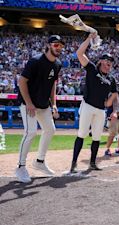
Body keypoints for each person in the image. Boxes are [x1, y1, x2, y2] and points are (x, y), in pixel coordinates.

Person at [15, 35, 64, 183]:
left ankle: (39, 162)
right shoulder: (35, 61)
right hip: (28, 103)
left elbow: (53, 84)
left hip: (43, 105)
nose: (59, 48)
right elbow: (22, 82)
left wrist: (53, 103)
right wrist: (29, 103)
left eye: (61, 45)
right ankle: (20, 167)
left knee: (50, 130)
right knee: (30, 132)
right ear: (48, 45)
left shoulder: (58, 64)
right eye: (56, 45)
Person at [70, 33, 119, 173]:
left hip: (100, 110)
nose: (109, 63)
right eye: (107, 60)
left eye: (111, 61)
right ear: (101, 61)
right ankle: (73, 163)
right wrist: (88, 39)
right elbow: (79, 53)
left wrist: (115, 110)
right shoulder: (92, 69)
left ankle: (92, 163)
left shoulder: (111, 78)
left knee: (97, 137)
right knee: (82, 133)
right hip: (87, 106)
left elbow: (115, 95)